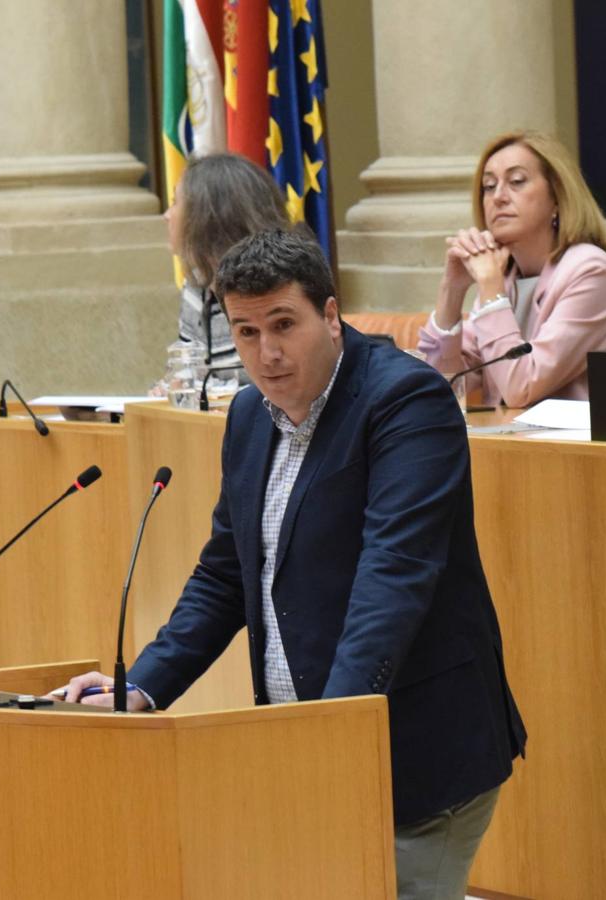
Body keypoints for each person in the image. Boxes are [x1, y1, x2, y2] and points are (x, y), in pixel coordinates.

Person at [64, 229, 527, 900]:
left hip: (415, 752)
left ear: (332, 316)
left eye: (284, 325)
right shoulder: (251, 413)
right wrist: (143, 684)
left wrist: (329, 733)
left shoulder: (406, 402)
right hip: (306, 756)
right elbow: (226, 574)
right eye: (246, 332)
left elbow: (392, 576)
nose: (267, 353)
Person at [417, 131, 606, 407]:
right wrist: (452, 290)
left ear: (557, 198)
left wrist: (490, 289)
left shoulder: (592, 272)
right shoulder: (506, 279)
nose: (498, 197)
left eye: (516, 182)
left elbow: (520, 388)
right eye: (489, 186)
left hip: (582, 447)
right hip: (512, 442)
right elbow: (437, 390)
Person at [165, 152, 291, 381]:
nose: (167, 215)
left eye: (175, 203)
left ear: (205, 218)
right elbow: (185, 375)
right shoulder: (198, 284)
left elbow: (274, 387)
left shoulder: (277, 286)